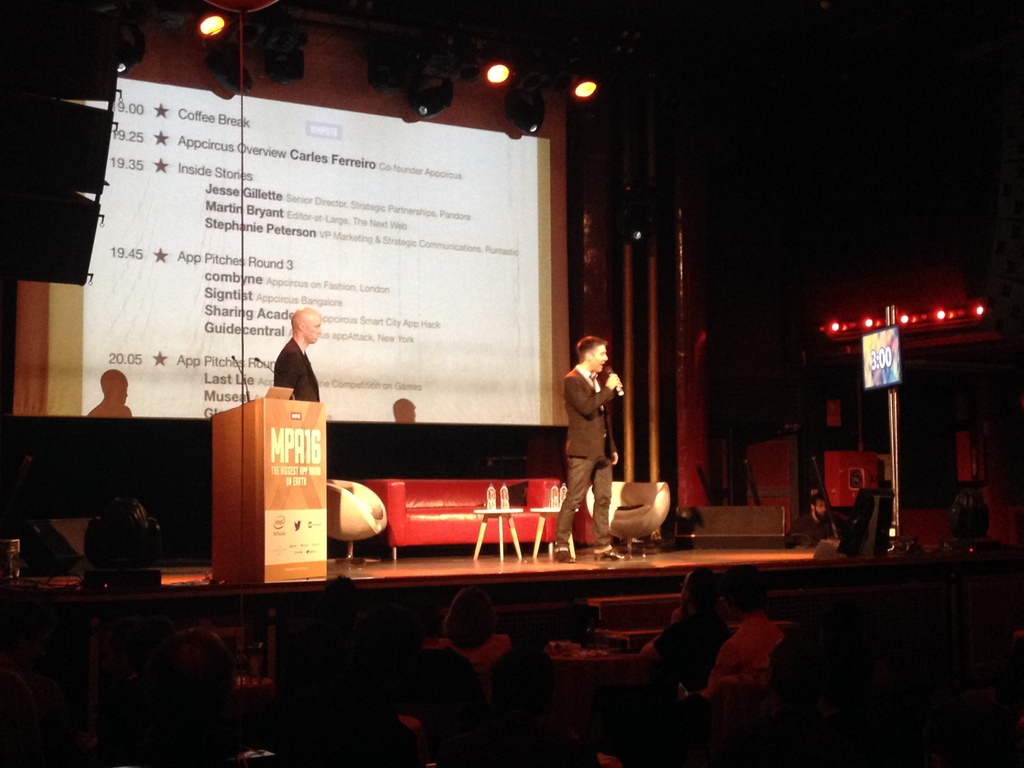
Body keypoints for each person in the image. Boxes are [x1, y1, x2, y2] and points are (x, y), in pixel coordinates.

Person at [554, 336, 623, 563]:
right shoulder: (572, 380)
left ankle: (603, 547)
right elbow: (586, 407)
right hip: (582, 451)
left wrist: (611, 446)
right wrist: (608, 389)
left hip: (602, 451)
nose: (605, 358)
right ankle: (561, 546)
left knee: (603, 499)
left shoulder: (596, 381)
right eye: (602, 354)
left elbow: (602, 417)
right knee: (574, 499)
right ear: (589, 356)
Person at [640, 567, 730, 695]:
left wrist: (674, 626)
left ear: (687, 594)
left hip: (686, 702)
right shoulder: (721, 628)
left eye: (683, 587)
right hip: (712, 700)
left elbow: (646, 654)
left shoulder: (682, 629)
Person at [273, 306, 322, 402]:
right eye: (316, 326)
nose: (320, 332)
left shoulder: (299, 353)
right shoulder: (290, 356)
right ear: (302, 327)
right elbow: (282, 399)